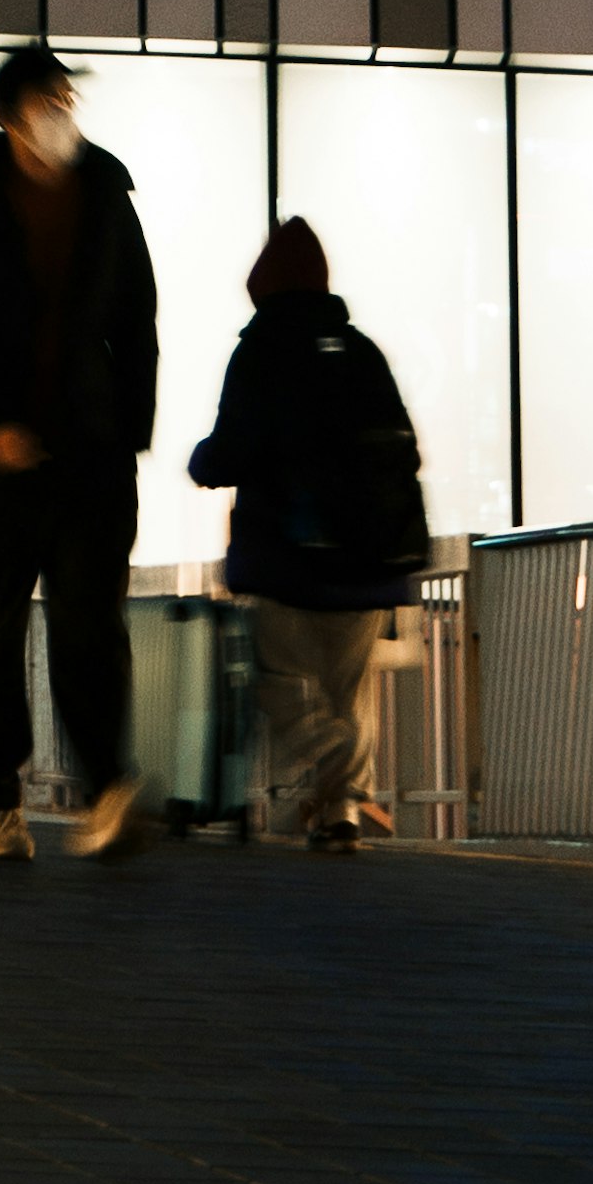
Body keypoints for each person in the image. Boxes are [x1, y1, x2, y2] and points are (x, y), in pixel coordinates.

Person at [0, 41, 158, 866]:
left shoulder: (106, 204)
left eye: (68, 98)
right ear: (9, 117)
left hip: (91, 455)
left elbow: (136, 323)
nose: (63, 113)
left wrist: (131, 429)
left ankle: (106, 788)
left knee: (90, 622)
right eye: (47, 101)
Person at [185, 219, 430, 849]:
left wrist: (202, 464)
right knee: (349, 692)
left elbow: (235, 447)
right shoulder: (361, 351)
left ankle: (333, 763)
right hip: (370, 561)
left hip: (287, 560)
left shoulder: (262, 350)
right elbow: (407, 454)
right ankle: (340, 812)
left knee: (277, 682)